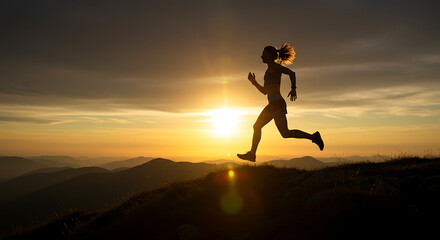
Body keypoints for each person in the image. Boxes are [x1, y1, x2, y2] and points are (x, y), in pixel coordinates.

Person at [237, 43, 324, 162]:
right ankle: (314, 137)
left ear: (269, 55)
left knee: (257, 126)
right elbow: (265, 91)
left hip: (276, 104)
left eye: (263, 54)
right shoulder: (269, 70)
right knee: (285, 133)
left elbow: (292, 73)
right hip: (275, 103)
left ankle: (252, 154)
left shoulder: (274, 67)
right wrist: (254, 82)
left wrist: (293, 89)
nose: (261, 56)